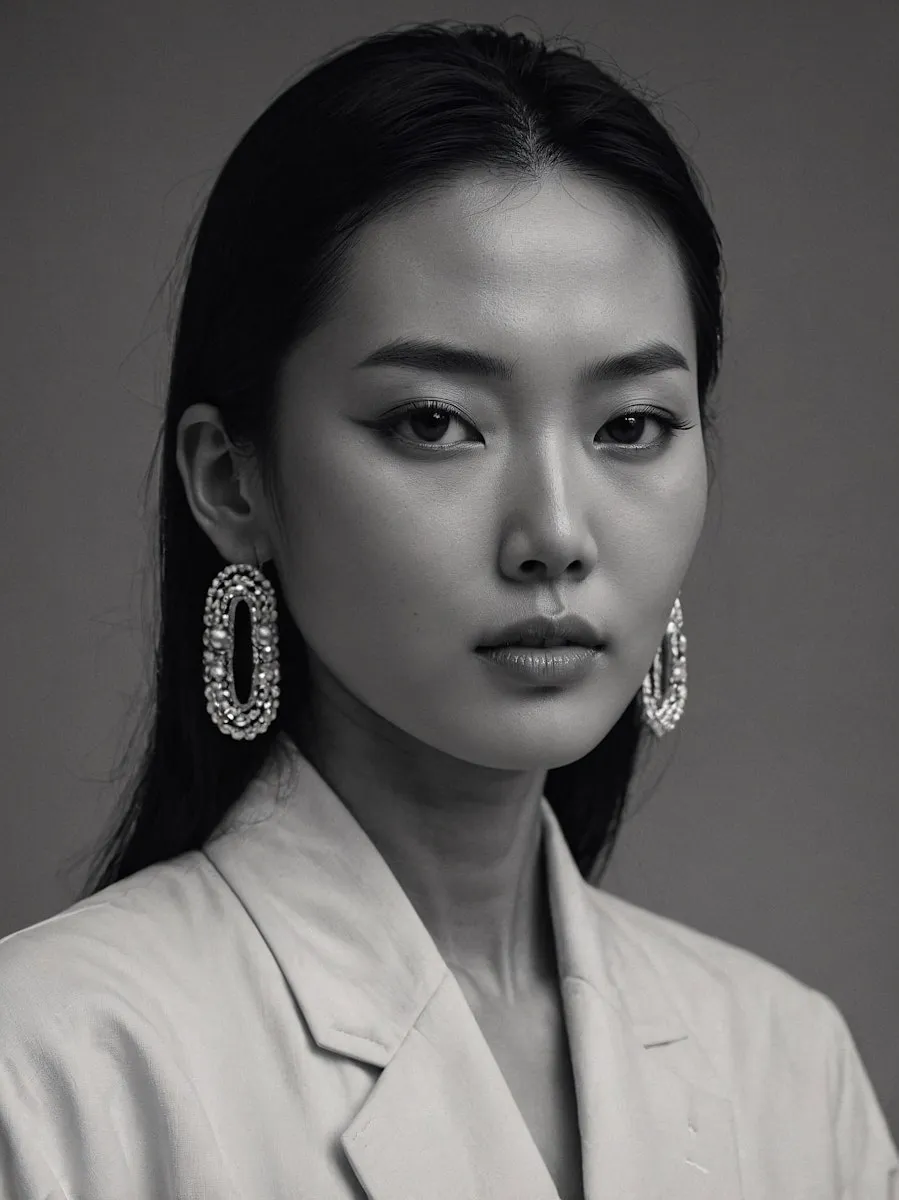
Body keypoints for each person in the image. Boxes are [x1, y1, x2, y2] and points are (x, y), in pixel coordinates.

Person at [0, 18, 895, 1200]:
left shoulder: (786, 1067)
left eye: (630, 426)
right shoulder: (50, 1069)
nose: (556, 534)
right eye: (434, 422)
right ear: (231, 481)